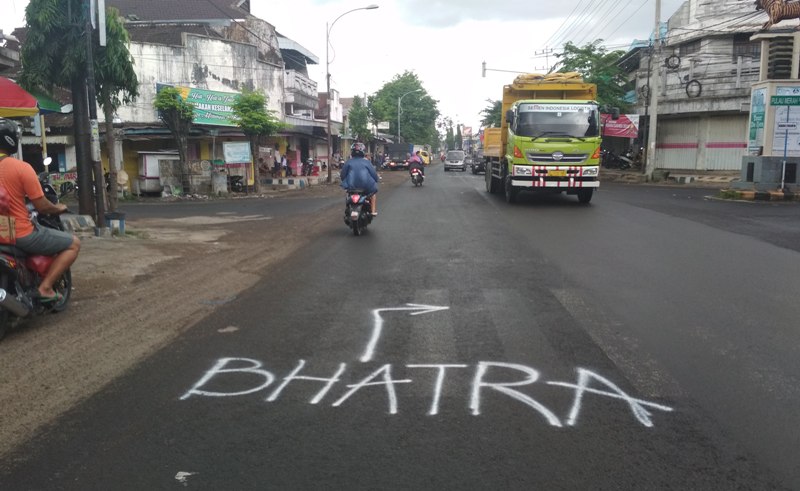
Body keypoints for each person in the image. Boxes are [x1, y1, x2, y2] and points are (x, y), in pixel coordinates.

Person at [0, 119, 80, 302]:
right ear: (12, 140)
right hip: (19, 234)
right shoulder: (21, 168)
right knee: (74, 243)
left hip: (2, 233)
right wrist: (58, 208)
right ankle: (44, 288)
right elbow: (42, 206)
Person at [340, 142, 379, 216]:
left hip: (351, 186)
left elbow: (342, 175)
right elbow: (374, 174)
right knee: (373, 194)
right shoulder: (367, 162)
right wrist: (376, 180)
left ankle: (348, 210)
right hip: (366, 186)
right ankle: (373, 211)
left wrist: (345, 182)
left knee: (347, 195)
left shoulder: (348, 162)